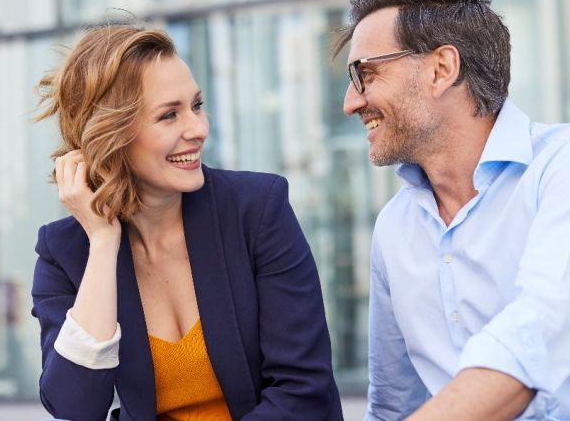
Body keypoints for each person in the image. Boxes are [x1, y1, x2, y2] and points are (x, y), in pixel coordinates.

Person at [335, 0, 570, 420]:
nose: (351, 103)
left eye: (365, 75)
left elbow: (535, 337)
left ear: (441, 69)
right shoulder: (394, 228)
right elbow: (394, 405)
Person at [30, 25, 343, 420]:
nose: (198, 129)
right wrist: (103, 244)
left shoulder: (257, 210)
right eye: (169, 115)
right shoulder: (67, 252)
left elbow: (303, 391)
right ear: (110, 136)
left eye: (196, 105)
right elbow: (75, 408)